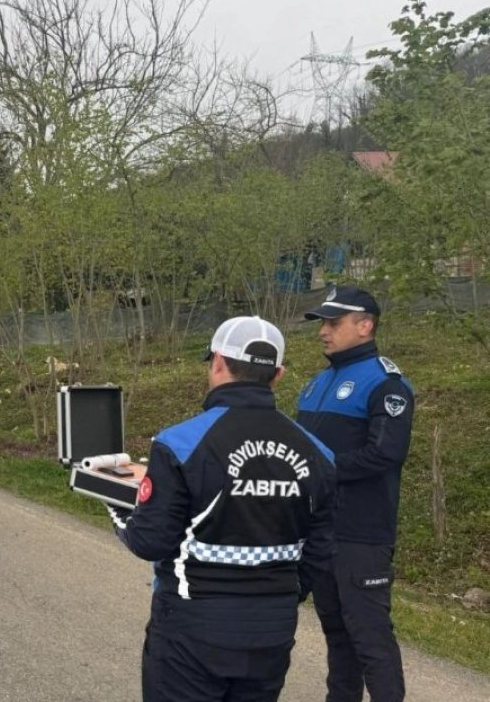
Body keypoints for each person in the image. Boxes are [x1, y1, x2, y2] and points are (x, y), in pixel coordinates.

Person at [108, 316, 337, 702]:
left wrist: (114, 502)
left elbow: (150, 540)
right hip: (273, 627)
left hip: (191, 626)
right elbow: (321, 546)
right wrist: (285, 596)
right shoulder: (320, 453)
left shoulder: (179, 443)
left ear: (217, 362)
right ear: (278, 376)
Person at [297, 286, 413, 702]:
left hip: (361, 534)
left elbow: (385, 454)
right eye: (322, 323)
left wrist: (317, 470)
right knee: (336, 635)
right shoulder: (316, 383)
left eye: (333, 322)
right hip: (319, 532)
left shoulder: (386, 383)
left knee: (370, 639)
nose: (323, 331)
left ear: (365, 325)